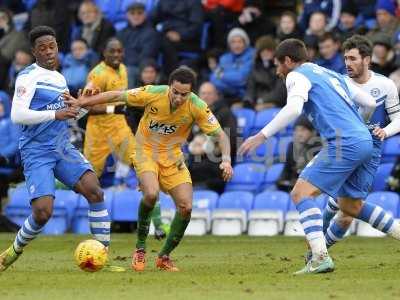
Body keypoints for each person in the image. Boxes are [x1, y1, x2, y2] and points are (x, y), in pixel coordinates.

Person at [238, 38, 398, 275]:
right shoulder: (326, 72)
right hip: (366, 141)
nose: (277, 70)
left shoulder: (296, 75)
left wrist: (261, 136)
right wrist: (358, 125)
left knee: (300, 193)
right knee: (351, 206)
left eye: (278, 64)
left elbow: (293, 109)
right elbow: (369, 102)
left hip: (345, 142)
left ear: (289, 61)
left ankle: (320, 257)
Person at [64, 66, 234, 272]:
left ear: (191, 92)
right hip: (145, 152)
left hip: (173, 157)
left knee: (186, 207)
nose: (179, 98)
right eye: (175, 92)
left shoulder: (197, 105)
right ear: (169, 87)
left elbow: (221, 136)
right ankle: (141, 248)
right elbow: (118, 95)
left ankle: (164, 257)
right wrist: (84, 102)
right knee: (151, 194)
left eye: (184, 94)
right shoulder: (153, 93)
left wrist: (225, 160)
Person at [0, 26, 111, 272]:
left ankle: (103, 255)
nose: (49, 52)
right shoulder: (28, 76)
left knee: (95, 191)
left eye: (52, 46)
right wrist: (55, 113)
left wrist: (83, 105)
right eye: (43, 48)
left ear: (58, 47)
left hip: (61, 147)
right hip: (36, 150)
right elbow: (17, 114)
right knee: (42, 213)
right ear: (34, 52)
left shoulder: (60, 78)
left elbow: (67, 117)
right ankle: (13, 251)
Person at [83, 37, 168, 240]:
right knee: (84, 181)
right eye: (112, 52)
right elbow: (86, 105)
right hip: (98, 134)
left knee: (143, 166)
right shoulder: (97, 74)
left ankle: (158, 225)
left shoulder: (123, 70)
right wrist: (115, 108)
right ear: (104, 53)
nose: (116, 55)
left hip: (120, 130)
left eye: (119, 51)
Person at [321, 35, 400, 250]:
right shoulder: (339, 84)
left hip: (370, 149)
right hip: (343, 147)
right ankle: (318, 250)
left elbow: (398, 118)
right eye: (346, 58)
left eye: (353, 58)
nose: (347, 63)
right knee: (345, 206)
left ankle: (319, 249)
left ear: (366, 60)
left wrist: (385, 130)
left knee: (347, 211)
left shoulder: (385, 85)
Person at [188, 81, 237, 193]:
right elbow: (189, 140)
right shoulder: (195, 114)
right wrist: (193, 146)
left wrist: (206, 147)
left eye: (209, 93)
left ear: (216, 95)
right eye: (203, 93)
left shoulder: (226, 113)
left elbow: (231, 140)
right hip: (196, 160)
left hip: (217, 163)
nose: (206, 96)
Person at [117, 2, 160, 88]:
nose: (136, 16)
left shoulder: (152, 33)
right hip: (123, 66)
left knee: (129, 71)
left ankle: (127, 100)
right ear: (127, 15)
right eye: (132, 13)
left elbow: (147, 55)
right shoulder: (121, 33)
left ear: (145, 14)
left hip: (141, 68)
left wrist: (124, 66)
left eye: (139, 13)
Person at [210, 27, 255, 106]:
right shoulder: (224, 58)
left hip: (243, 97)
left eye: (239, 42)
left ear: (245, 43)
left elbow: (241, 79)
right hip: (226, 95)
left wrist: (222, 76)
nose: (236, 45)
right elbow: (213, 78)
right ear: (229, 45)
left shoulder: (252, 55)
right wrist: (234, 89)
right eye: (233, 42)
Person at [276, 116, 321, 192]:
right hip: (293, 185)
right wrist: (281, 182)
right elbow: (286, 170)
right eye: (296, 130)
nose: (299, 134)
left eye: (303, 130)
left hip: (313, 186)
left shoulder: (320, 148)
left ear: (313, 131)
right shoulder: (292, 146)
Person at [244, 35, 286, 111]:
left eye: (269, 50)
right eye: (262, 50)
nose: (265, 53)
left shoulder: (281, 68)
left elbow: (280, 92)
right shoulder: (255, 68)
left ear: (274, 52)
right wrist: (248, 100)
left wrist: (262, 101)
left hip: (276, 104)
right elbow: (250, 88)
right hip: (256, 105)